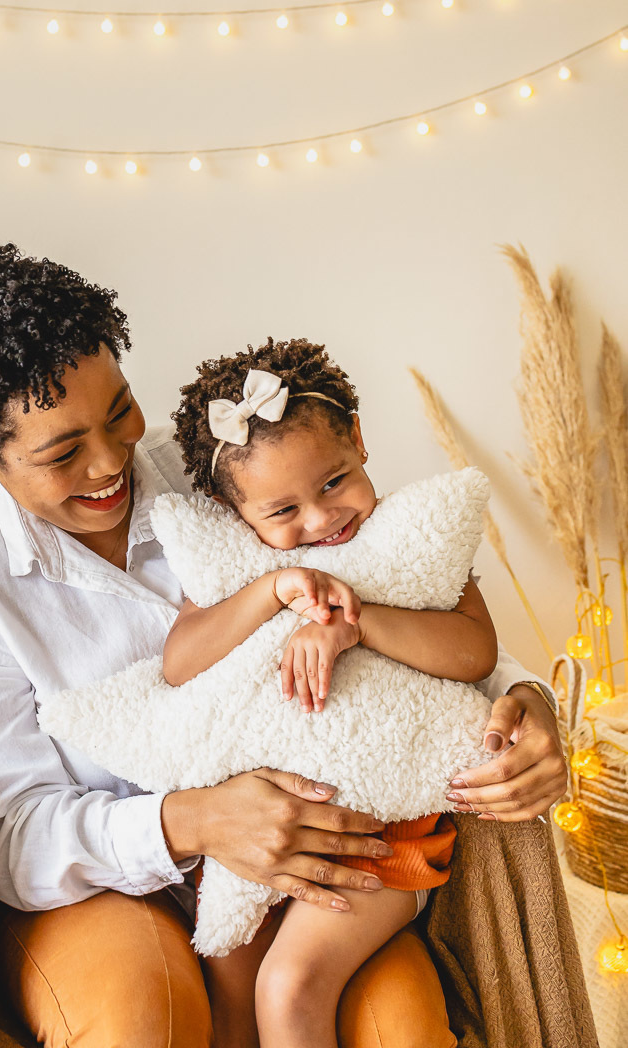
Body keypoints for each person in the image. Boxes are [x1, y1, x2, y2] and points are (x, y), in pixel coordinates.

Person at [0, 244, 568, 1048]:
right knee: (147, 1022)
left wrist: (528, 705)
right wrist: (194, 822)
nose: (112, 464)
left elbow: (397, 587)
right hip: (115, 887)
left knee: (402, 1029)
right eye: (61, 453)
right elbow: (11, 838)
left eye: (119, 413)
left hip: (324, 856)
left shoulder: (231, 471)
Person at [163, 340, 498, 1048]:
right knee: (228, 975)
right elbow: (179, 663)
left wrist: (356, 624)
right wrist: (272, 592)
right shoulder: (241, 568)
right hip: (263, 837)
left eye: (333, 482)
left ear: (359, 442)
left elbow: (473, 654)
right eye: (280, 509)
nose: (318, 521)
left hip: (378, 842)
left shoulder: (409, 544)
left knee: (290, 989)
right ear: (235, 513)